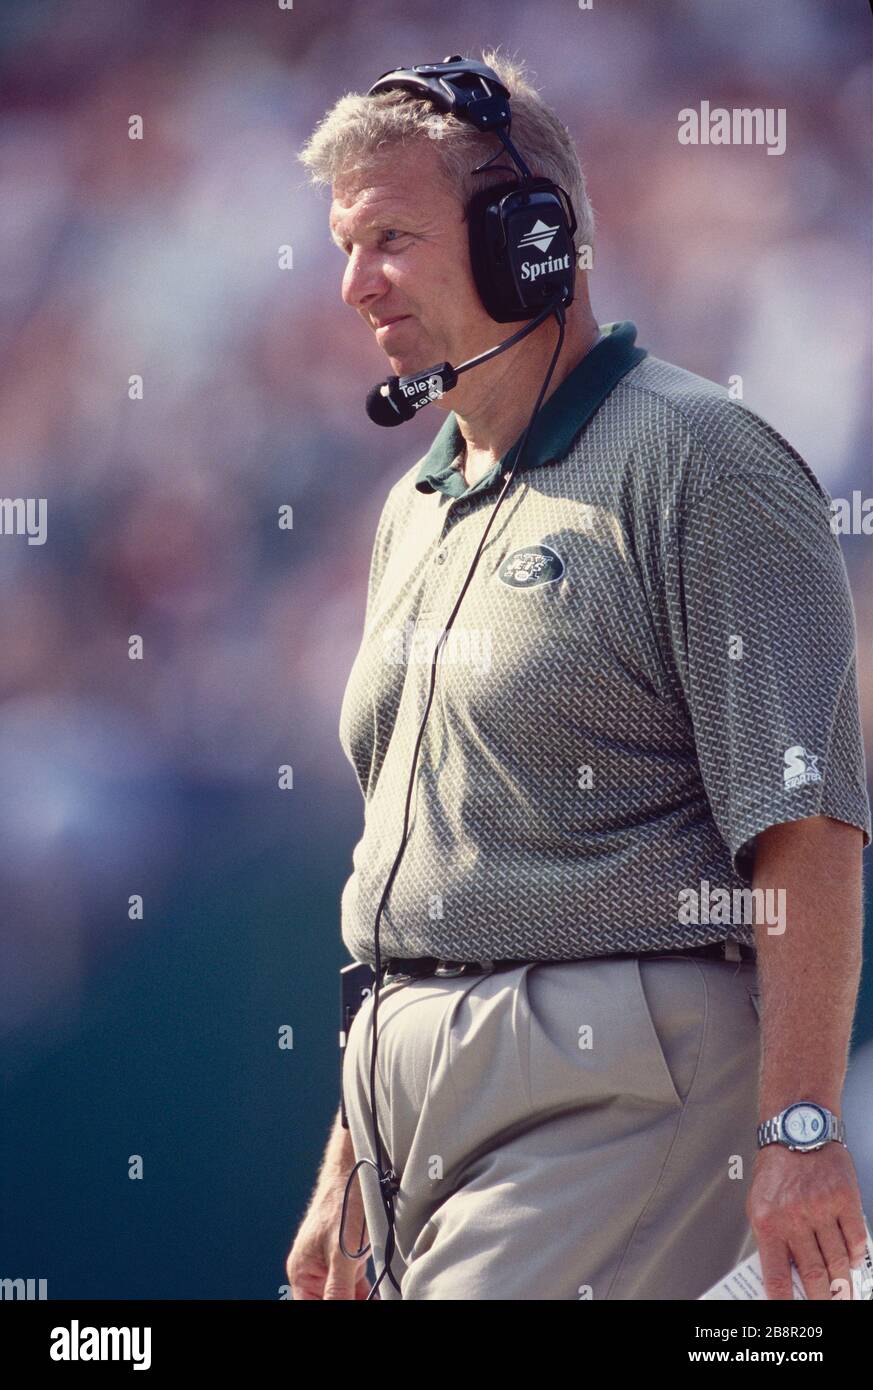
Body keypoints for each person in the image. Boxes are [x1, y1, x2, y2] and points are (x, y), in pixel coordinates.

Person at [286, 49, 871, 1301]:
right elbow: (414, 861)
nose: (352, 284)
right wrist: (351, 1155)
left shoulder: (703, 460)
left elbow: (807, 822)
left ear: (530, 236)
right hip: (410, 1111)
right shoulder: (416, 505)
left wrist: (802, 1130)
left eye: (389, 236)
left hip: (614, 1075)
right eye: (344, 243)